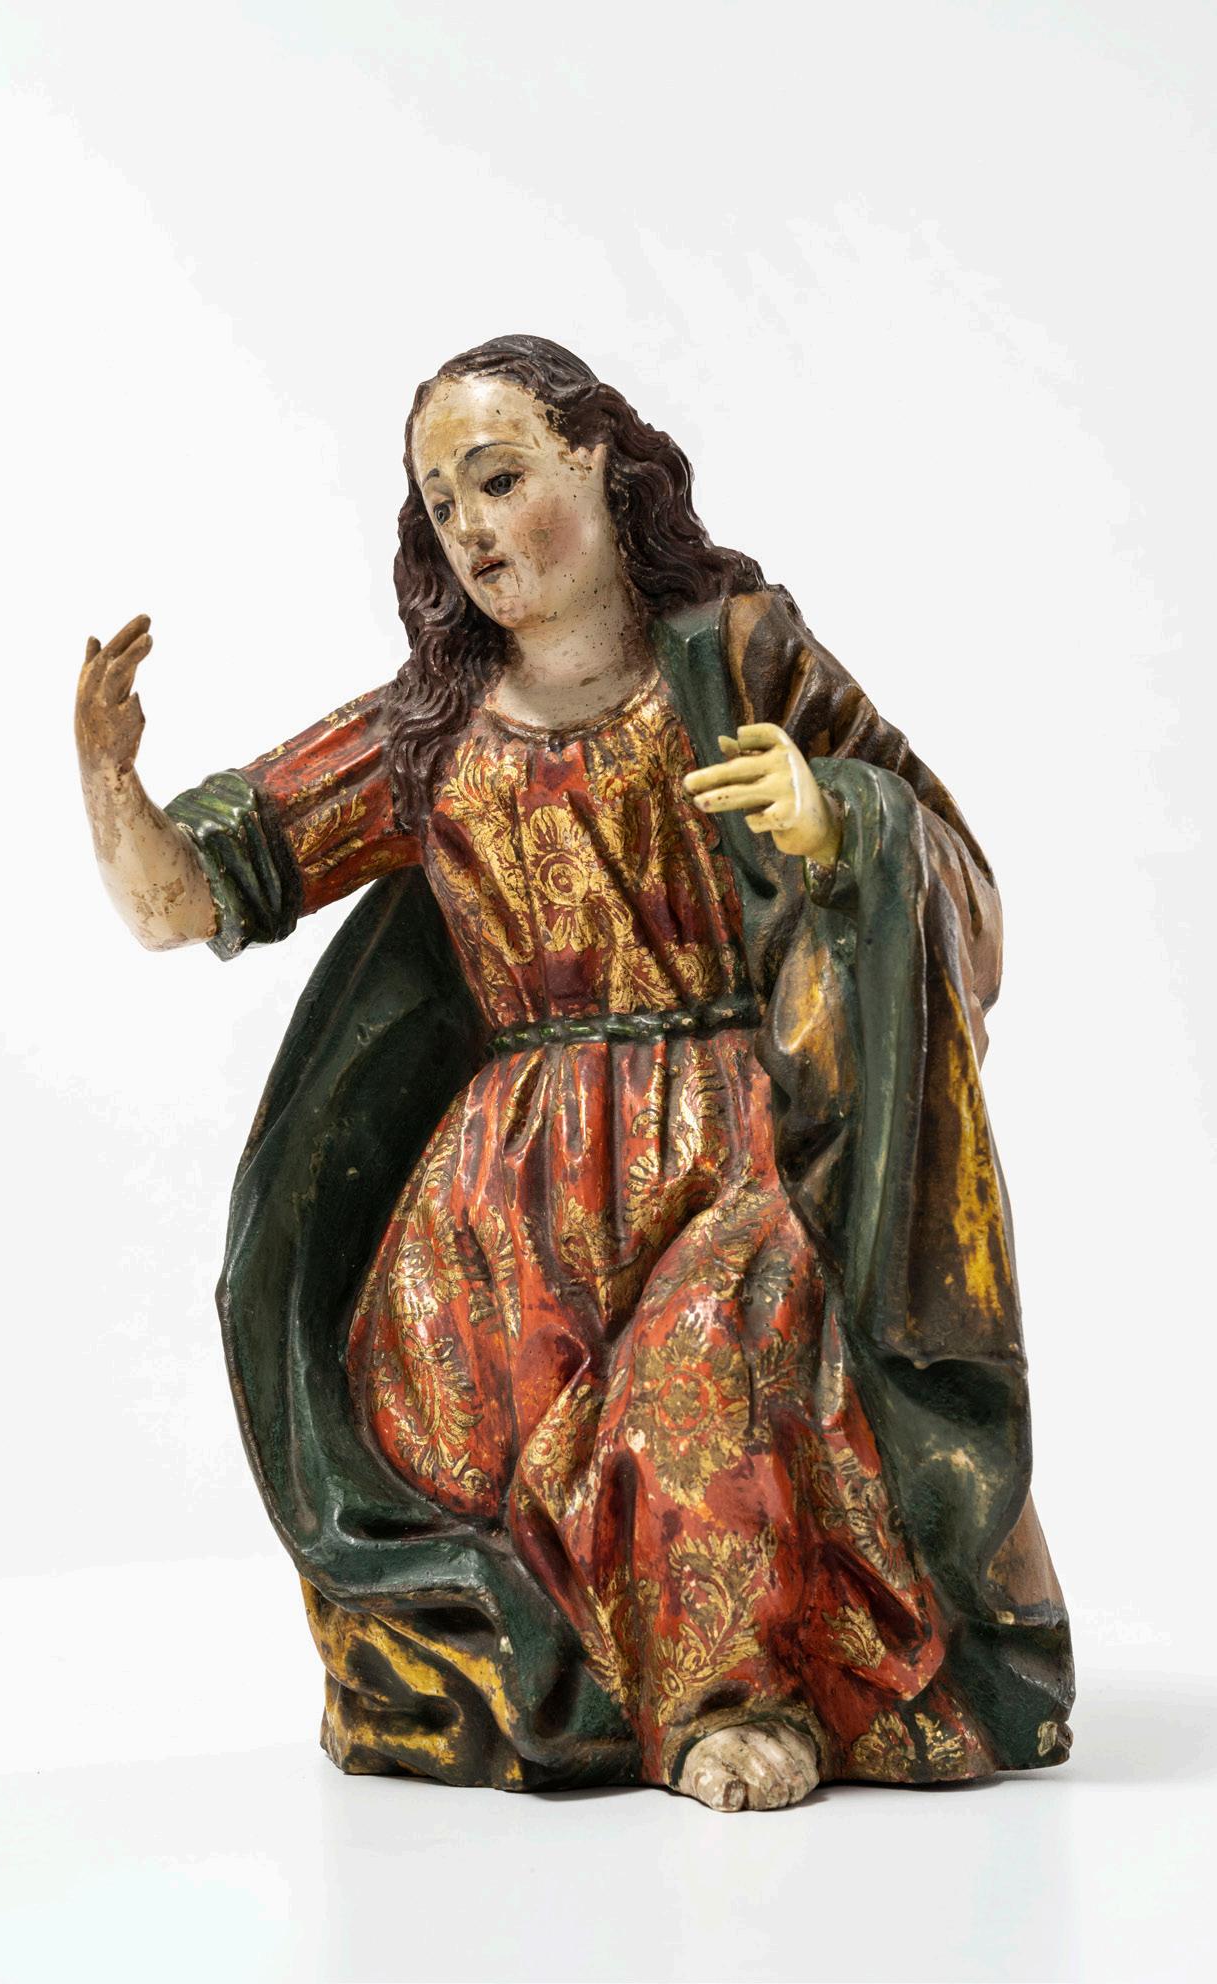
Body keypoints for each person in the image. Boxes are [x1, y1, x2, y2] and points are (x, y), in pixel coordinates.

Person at [75, 335, 1073, 1812]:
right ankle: (593, 1687)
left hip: (739, 1150)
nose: (471, 530)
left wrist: (835, 821)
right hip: (509, 1215)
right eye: (441, 505)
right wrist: (109, 782)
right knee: (479, 1446)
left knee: (709, 1363)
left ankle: (739, 1697)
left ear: (600, 461)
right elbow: (182, 902)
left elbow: (962, 887)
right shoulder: (426, 731)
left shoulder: (739, 657)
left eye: (499, 480)